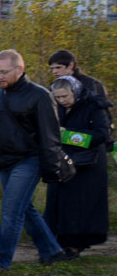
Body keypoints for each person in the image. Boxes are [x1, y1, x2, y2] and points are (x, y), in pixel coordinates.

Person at [0, 49, 72, 274]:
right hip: (4, 161)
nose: (0, 76)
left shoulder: (39, 95)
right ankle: (51, 250)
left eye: (4, 72)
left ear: (19, 70)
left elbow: (50, 136)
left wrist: (51, 169)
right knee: (25, 208)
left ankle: (0, 261)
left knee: (11, 210)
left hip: (29, 161)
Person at [43, 75, 111, 257]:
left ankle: (75, 245)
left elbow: (101, 135)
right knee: (58, 201)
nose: (62, 101)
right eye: (57, 97)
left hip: (88, 165)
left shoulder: (94, 106)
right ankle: (55, 241)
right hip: (64, 162)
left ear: (75, 91)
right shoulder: (58, 108)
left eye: (65, 96)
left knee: (79, 205)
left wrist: (69, 135)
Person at [48, 49, 113, 149]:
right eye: (52, 69)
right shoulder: (55, 86)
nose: (54, 71)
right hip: (66, 145)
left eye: (58, 67)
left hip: (89, 145)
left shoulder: (91, 85)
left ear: (71, 65)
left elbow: (103, 119)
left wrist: (68, 133)